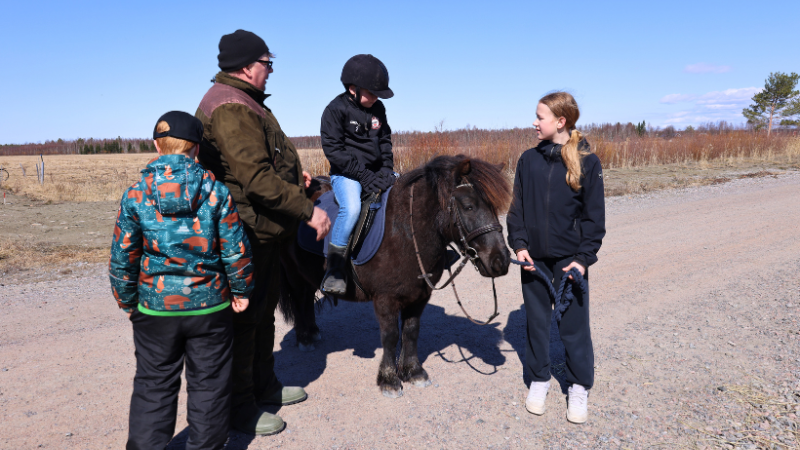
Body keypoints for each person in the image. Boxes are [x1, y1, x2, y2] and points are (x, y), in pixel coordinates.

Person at [195, 29, 330, 435]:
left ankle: (263, 385)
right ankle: (239, 409)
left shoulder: (242, 100)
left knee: (264, 310)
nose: (270, 71)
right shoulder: (230, 107)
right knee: (245, 319)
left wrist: (294, 173)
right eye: (267, 64)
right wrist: (307, 209)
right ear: (247, 66)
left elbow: (263, 160)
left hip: (263, 228)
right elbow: (253, 179)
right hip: (244, 229)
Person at [109, 111, 254, 449]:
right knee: (210, 387)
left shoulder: (135, 195)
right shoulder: (216, 191)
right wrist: (242, 289)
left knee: (153, 386)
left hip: (155, 311)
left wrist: (127, 300)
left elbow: (122, 257)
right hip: (210, 308)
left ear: (156, 146)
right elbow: (236, 248)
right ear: (196, 150)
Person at [506, 92, 606, 424]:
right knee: (536, 325)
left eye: (540, 117)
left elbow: (594, 219)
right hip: (532, 259)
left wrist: (583, 258)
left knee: (574, 327)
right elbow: (516, 210)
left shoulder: (588, 161)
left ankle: (578, 387)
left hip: (570, 262)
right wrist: (520, 245)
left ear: (560, 122)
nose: (534, 123)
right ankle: (539, 380)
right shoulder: (527, 160)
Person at [319, 54, 396, 295]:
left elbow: (385, 142)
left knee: (407, 194)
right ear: (353, 89)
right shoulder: (334, 110)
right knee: (351, 208)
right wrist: (365, 176)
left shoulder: (378, 109)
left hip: (376, 172)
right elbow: (335, 152)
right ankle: (335, 270)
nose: (376, 98)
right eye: (372, 93)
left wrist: (385, 171)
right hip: (346, 175)